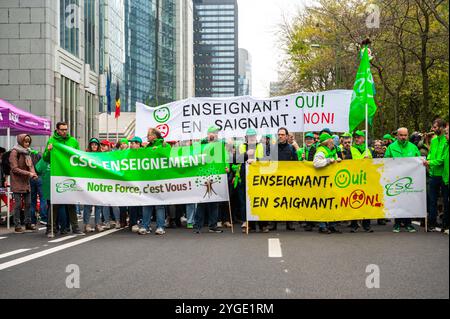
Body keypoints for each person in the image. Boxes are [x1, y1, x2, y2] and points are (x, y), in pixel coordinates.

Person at [43, 121, 84, 235]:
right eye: (62, 129)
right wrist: (49, 150)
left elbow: (78, 157)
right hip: (57, 175)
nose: (64, 131)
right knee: (55, 203)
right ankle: (50, 229)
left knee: (71, 203)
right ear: (57, 130)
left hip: (70, 175)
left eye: (66, 129)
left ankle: (75, 228)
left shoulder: (73, 141)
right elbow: (46, 158)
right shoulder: (52, 141)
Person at [384, 127, 421, 232]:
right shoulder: (391, 147)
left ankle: (408, 224)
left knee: (408, 201)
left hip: (410, 179)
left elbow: (419, 161)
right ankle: (397, 224)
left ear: (408, 135)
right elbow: (386, 162)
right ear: (397, 136)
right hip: (396, 179)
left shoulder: (413, 147)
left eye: (405, 135)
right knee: (397, 201)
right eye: (401, 135)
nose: (403, 137)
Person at [194, 126, 226, 234]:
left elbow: (224, 157)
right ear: (208, 134)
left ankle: (213, 225)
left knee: (214, 202)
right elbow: (196, 155)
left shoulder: (220, 144)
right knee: (202, 201)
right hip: (203, 175)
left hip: (216, 175)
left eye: (217, 133)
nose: (215, 134)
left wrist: (227, 167)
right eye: (213, 133)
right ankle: (198, 225)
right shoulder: (201, 144)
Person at [139, 128, 170, 235]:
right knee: (146, 203)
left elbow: (167, 154)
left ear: (155, 136)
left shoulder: (164, 145)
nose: (147, 137)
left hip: (159, 179)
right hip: (147, 179)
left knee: (159, 204)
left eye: (149, 135)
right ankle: (145, 226)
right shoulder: (146, 147)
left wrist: (156, 149)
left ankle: (160, 226)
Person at [266, 127, 298, 231]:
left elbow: (296, 163)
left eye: (282, 134)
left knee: (288, 201)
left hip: (288, 179)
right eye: (279, 134)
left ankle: (289, 223)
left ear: (287, 136)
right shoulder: (272, 148)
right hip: (275, 179)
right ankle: (273, 223)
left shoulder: (291, 148)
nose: (280, 136)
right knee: (274, 201)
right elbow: (266, 162)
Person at [237, 128, 268, 233]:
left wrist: (256, 160)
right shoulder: (242, 146)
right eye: (249, 137)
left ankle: (263, 224)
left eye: (253, 136)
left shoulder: (261, 146)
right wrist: (246, 154)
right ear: (246, 137)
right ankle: (248, 224)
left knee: (259, 200)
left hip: (258, 177)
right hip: (245, 175)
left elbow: (266, 159)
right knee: (245, 201)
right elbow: (237, 159)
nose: (251, 138)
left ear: (256, 137)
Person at [313, 132, 342, 234]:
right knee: (324, 204)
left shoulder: (333, 150)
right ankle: (322, 225)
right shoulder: (321, 151)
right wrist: (328, 160)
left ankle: (332, 224)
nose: (333, 141)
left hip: (332, 181)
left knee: (333, 203)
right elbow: (316, 163)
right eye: (331, 139)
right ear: (327, 141)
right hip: (323, 182)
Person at [9, 134, 38, 233]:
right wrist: (29, 173)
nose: (27, 143)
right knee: (17, 205)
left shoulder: (27, 152)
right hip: (17, 181)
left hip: (26, 181)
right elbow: (14, 169)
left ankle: (28, 224)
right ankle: (17, 225)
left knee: (28, 204)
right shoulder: (14, 152)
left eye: (28, 142)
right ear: (20, 141)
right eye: (25, 141)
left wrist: (33, 174)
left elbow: (31, 166)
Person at [424, 119, 447, 231]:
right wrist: (428, 161)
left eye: (435, 127)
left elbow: (443, 159)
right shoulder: (433, 140)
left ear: (442, 127)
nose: (433, 129)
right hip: (433, 175)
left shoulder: (446, 141)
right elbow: (430, 154)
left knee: (445, 201)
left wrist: (430, 162)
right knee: (432, 201)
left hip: (444, 176)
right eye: (433, 127)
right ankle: (432, 223)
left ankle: (445, 223)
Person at [349, 130, 373, 232]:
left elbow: (374, 165)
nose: (357, 139)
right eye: (356, 137)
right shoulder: (351, 149)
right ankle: (354, 224)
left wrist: (369, 160)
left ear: (364, 138)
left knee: (367, 202)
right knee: (353, 202)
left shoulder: (368, 151)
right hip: (354, 179)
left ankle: (366, 225)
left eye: (359, 137)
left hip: (366, 180)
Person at [82, 138, 104, 233]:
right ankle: (86, 224)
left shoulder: (102, 156)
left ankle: (97, 224)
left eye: (96, 144)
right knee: (88, 205)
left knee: (98, 205)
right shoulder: (85, 156)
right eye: (92, 144)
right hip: (89, 183)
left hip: (99, 183)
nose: (94, 146)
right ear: (90, 145)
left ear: (98, 145)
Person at [127, 136, 143, 232]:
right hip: (132, 182)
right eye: (131, 143)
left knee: (141, 203)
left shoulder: (144, 153)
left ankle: (140, 221)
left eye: (133, 143)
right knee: (133, 203)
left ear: (138, 144)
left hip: (142, 182)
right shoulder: (128, 154)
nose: (131, 145)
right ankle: (133, 223)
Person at [442, 123, 449, 235]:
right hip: (446, 179)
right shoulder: (446, 145)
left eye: (447, 133)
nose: (445, 135)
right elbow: (442, 160)